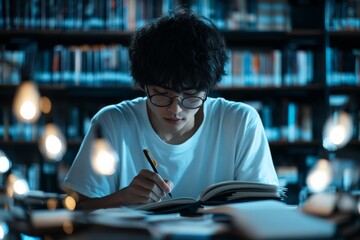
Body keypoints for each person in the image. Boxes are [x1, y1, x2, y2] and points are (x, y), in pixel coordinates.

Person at [62, 9, 279, 209]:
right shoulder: (112, 122)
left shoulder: (240, 122)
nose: (176, 109)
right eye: (163, 94)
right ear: (142, 85)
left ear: (210, 88)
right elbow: (75, 209)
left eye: (191, 95)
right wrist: (123, 197)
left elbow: (264, 209)